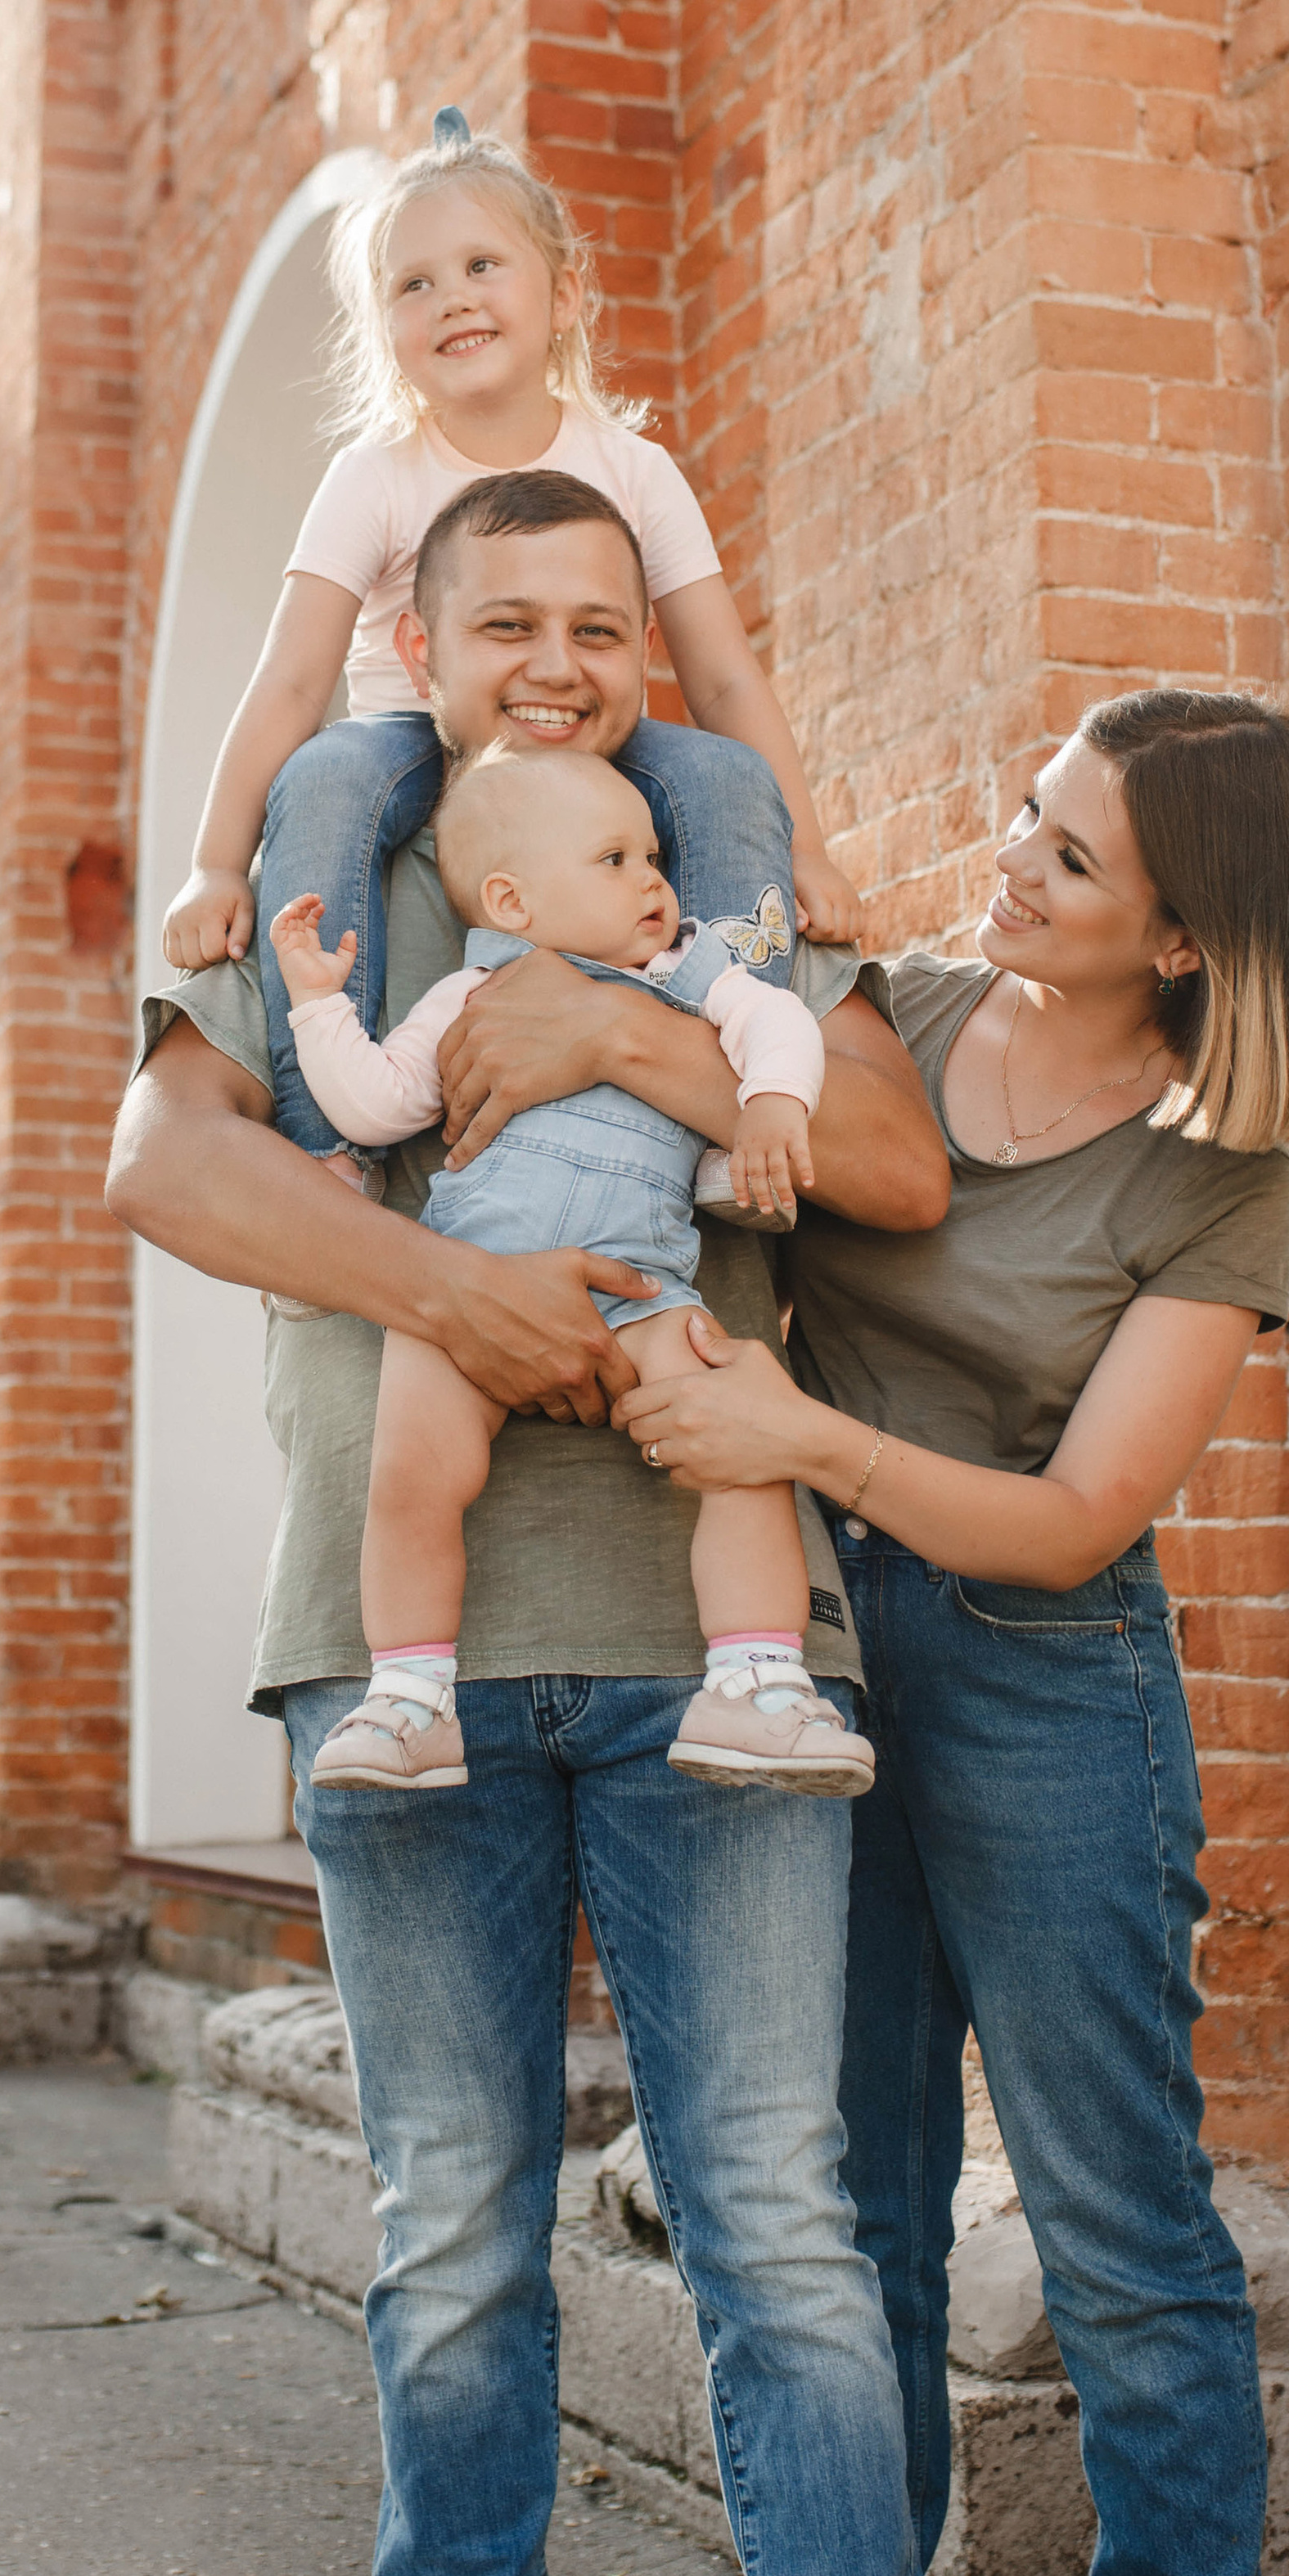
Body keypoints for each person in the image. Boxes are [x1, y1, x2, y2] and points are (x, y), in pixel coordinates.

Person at [108, 471, 980, 2576]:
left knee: (780, 2237)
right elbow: (168, 1158)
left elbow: (904, 1161)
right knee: (456, 2235)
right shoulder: (327, 885)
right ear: (424, 630)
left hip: (716, 1643)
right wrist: (446, 1309)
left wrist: (623, 1029)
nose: (564, 659)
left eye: (605, 623)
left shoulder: (694, 897)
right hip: (403, 1655)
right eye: (512, 621)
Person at [615, 689, 1289, 2576]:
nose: (1007, 864)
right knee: (846, 2234)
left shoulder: (1216, 1164)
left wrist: (798, 1433)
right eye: (1025, 813)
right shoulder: (888, 1023)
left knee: (1127, 2236)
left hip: (1046, 1692)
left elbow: (1069, 1519)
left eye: (1069, 860)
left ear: (1187, 937)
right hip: (807, 1667)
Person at [159, 106, 860, 1182]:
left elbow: (722, 676)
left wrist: (806, 845)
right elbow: (292, 678)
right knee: (327, 772)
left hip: (588, 739)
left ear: (565, 293)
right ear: (382, 328)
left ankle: (737, 1090)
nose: (455, 299)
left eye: (484, 264)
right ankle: (329, 1143)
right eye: (415, 284)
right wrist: (214, 862)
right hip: (414, 733)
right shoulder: (374, 475)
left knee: (721, 775)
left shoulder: (632, 469)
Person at [268, 738, 872, 1798]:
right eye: (613, 860)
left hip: (644, 1289)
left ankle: (758, 1682)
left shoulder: (687, 973)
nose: (654, 881)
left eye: (652, 855)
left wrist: (774, 1097)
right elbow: (378, 1104)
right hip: (470, 1291)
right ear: (514, 898)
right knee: (410, 1477)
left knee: (741, 1448)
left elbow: (774, 1017)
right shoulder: (468, 995)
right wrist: (320, 1007)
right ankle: (410, 1699)